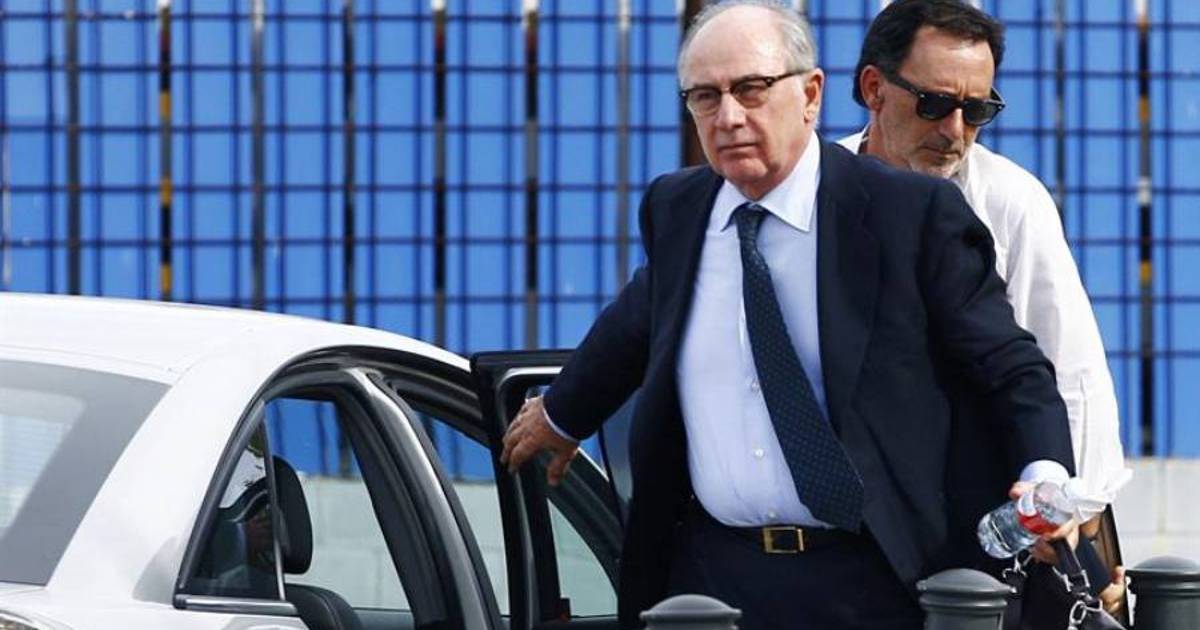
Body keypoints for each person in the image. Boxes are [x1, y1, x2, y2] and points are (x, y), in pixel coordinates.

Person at [501, 2, 1077, 628]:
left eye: (751, 89)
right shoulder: (679, 208)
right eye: (705, 97)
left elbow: (1010, 366)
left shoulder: (908, 215)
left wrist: (1044, 474)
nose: (728, 118)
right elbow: (640, 317)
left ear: (810, 94)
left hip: (877, 577)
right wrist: (562, 412)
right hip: (716, 577)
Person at [838, 0, 1126, 610]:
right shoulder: (819, 191)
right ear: (873, 89)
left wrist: (1082, 530)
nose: (955, 131)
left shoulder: (1010, 201)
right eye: (935, 103)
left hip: (987, 523)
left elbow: (1066, 371)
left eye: (977, 111)